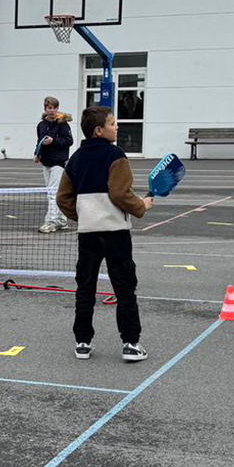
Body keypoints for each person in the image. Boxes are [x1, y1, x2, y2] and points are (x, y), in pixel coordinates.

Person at [56, 105, 152, 362]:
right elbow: (121, 193)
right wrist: (141, 205)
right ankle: (131, 343)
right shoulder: (116, 155)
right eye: (112, 123)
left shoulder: (75, 159)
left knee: (85, 287)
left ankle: (83, 342)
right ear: (99, 130)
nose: (117, 127)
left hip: (88, 233)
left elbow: (63, 199)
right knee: (125, 287)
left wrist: (83, 215)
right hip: (115, 233)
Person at [34, 97, 74, 233]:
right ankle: (62, 221)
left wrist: (54, 141)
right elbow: (39, 140)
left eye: (54, 108)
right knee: (53, 192)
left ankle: (50, 221)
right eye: (49, 108)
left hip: (58, 163)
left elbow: (69, 141)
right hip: (46, 162)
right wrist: (37, 153)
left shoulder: (63, 124)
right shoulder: (41, 125)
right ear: (45, 109)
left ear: (58, 109)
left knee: (52, 192)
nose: (52, 110)